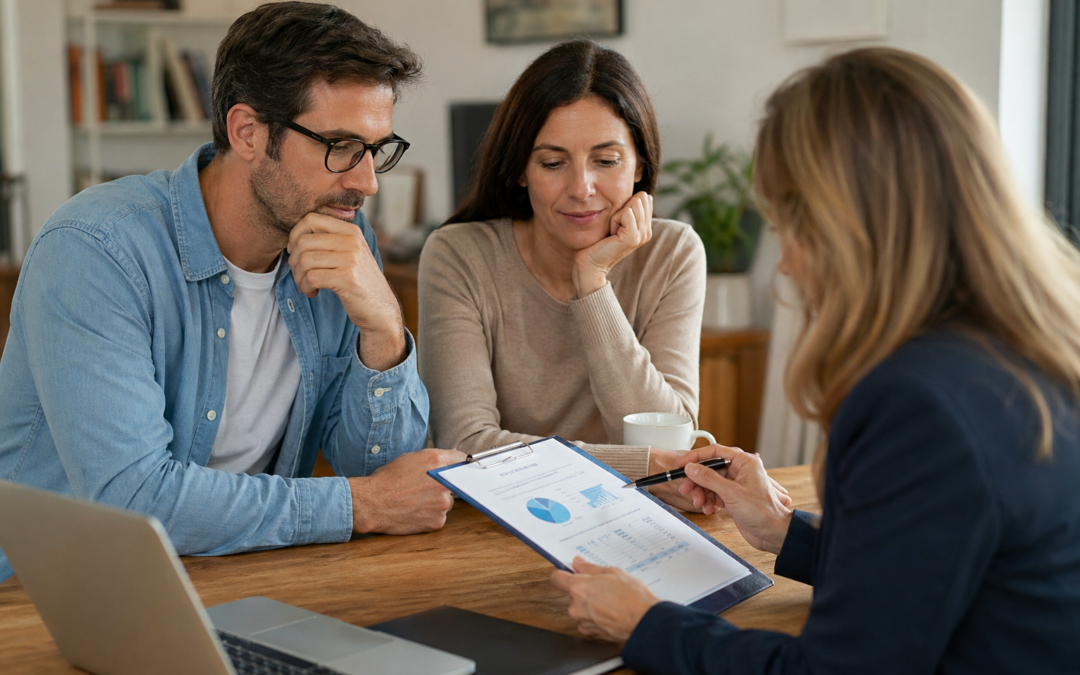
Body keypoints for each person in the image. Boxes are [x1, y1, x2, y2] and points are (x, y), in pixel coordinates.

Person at [550, 47, 1080, 673]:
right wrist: (787, 532)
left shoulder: (916, 400)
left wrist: (645, 623)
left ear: (850, 224)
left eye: (792, 226)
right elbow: (939, 566)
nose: (786, 264)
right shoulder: (1026, 348)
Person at [0, 2, 462, 584]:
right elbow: (134, 499)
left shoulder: (340, 235)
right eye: (340, 145)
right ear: (247, 132)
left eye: (376, 149)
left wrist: (384, 332)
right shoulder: (95, 251)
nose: (366, 181)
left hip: (237, 577)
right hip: (53, 597)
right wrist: (359, 506)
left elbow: (385, 472)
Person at [419, 40, 708, 507]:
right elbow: (465, 446)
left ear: (640, 166)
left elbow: (668, 441)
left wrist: (592, 283)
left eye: (606, 161)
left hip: (631, 520)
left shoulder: (672, 252)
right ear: (520, 170)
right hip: (496, 524)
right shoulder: (459, 255)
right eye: (553, 163)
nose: (581, 189)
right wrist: (636, 466)